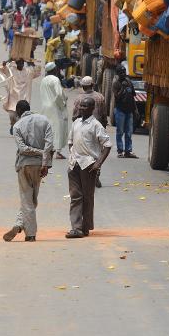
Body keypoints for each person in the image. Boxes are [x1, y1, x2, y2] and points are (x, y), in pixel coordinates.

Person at [3, 100, 53, 242]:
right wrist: (45, 160)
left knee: (27, 200)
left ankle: (29, 233)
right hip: (39, 166)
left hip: (24, 164)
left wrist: (39, 152)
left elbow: (23, 148)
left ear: (18, 112)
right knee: (32, 200)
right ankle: (20, 224)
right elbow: (50, 144)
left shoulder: (17, 125)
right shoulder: (44, 120)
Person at [65, 97, 111, 239]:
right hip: (74, 165)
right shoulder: (76, 123)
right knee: (75, 196)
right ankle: (76, 227)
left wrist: (98, 163)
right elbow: (70, 142)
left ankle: (85, 227)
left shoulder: (96, 125)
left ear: (92, 109)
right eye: (81, 106)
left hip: (88, 165)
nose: (82, 108)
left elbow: (107, 145)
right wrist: (73, 155)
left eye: (85, 106)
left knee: (87, 197)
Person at [0, 58, 41, 130]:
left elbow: (37, 72)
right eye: (19, 62)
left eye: (22, 62)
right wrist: (7, 61)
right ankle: (13, 125)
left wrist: (32, 63)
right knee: (12, 115)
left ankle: (19, 130)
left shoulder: (28, 71)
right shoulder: (11, 71)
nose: (21, 64)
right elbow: (2, 68)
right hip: (13, 97)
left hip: (24, 98)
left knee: (23, 116)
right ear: (16, 63)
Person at [40, 62, 69, 159]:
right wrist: (62, 104)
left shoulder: (44, 80)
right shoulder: (55, 80)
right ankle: (58, 151)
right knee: (58, 129)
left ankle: (49, 149)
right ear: (54, 70)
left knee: (48, 129)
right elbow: (59, 94)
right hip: (55, 107)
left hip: (45, 107)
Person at [111, 64, 138, 158]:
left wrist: (135, 110)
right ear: (117, 74)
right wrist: (122, 88)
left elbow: (133, 96)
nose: (123, 74)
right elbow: (117, 97)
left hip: (129, 111)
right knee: (120, 132)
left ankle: (128, 151)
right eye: (121, 72)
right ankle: (120, 151)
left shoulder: (129, 82)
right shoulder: (116, 83)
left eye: (124, 72)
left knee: (129, 132)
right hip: (120, 111)